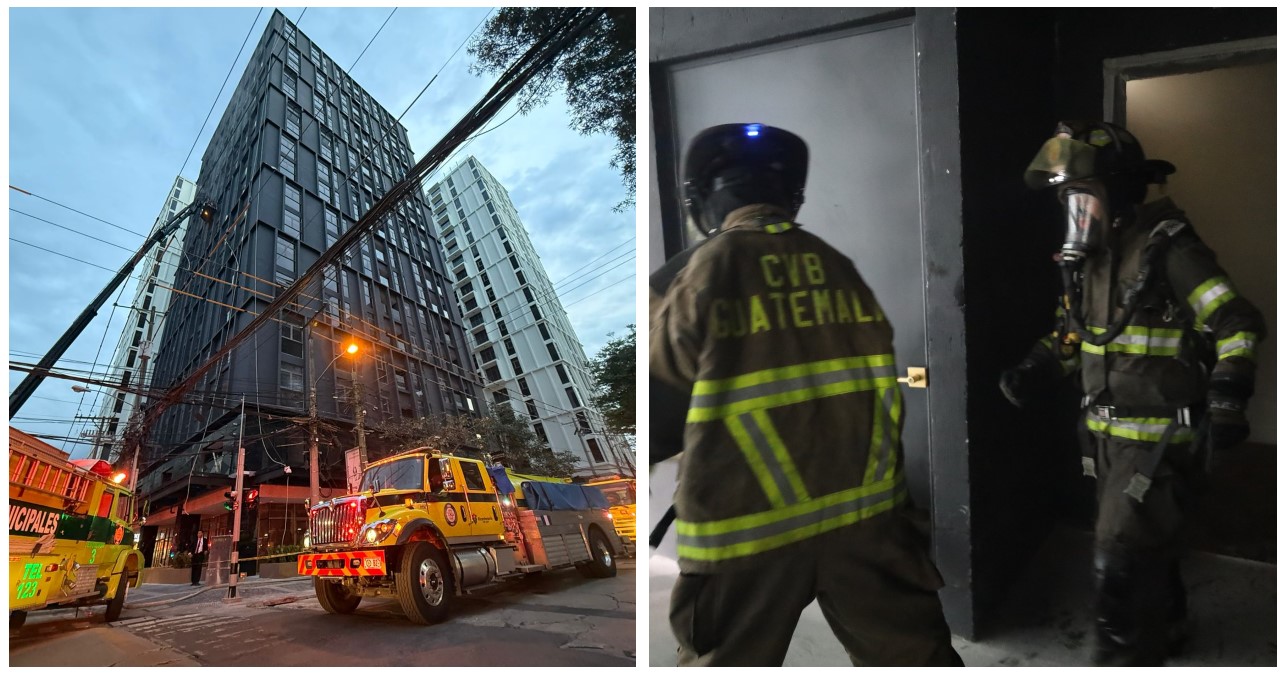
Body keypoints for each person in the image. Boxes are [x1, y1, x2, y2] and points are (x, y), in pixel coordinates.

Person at [650, 123, 961, 666]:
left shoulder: (710, 264)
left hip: (746, 530)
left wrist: (660, 298)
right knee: (914, 656)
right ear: (790, 196)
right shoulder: (838, 265)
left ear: (704, 198)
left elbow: (665, 371)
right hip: (867, 520)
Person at [1000, 120, 1265, 666]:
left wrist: (1229, 396)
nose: (1077, 213)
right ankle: (1169, 626)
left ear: (1117, 193)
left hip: (1159, 440)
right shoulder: (1090, 263)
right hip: (1104, 439)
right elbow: (1075, 333)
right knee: (1146, 543)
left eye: (1084, 197)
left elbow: (1237, 321)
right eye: (1070, 201)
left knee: (1116, 560)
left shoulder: (1169, 250)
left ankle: (1122, 657)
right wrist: (1037, 365)